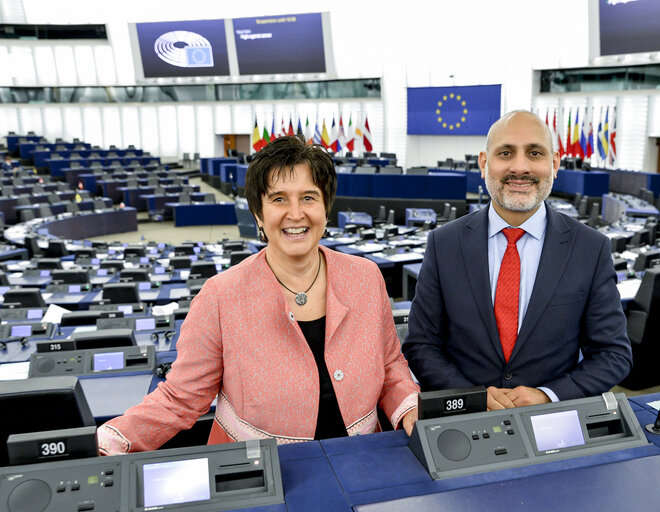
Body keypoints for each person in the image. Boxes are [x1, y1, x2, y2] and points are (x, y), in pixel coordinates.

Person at [98, 136, 418, 454]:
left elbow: (390, 364)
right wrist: (112, 440)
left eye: (308, 197)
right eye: (278, 199)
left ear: (325, 207)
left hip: (365, 459)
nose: (295, 213)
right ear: (258, 215)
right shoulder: (220, 296)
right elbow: (180, 397)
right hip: (260, 470)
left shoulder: (365, 277)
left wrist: (410, 407)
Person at [402, 110, 631, 410]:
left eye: (535, 153)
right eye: (506, 153)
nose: (520, 167)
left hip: (551, 424)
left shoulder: (590, 248)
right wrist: (472, 397)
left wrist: (548, 395)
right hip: (463, 423)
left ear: (555, 164)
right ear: (484, 164)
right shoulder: (444, 243)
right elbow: (421, 345)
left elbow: (613, 354)